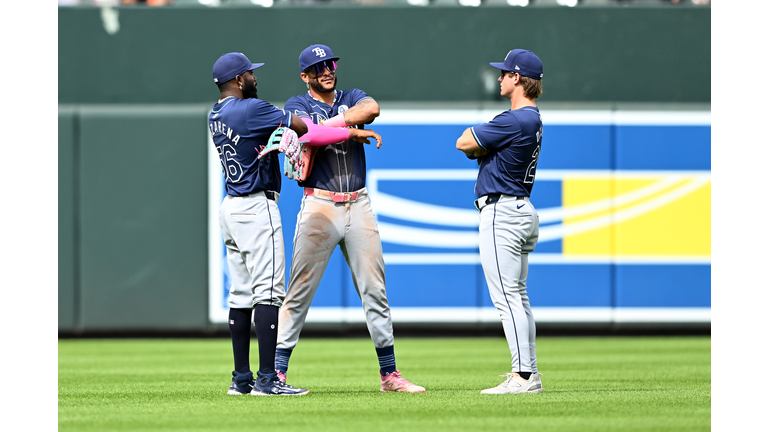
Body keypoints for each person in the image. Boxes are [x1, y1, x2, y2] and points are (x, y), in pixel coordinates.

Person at [209, 52, 379, 396]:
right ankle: (268, 380)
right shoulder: (254, 109)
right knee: (269, 293)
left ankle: (241, 379)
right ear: (240, 80)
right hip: (257, 205)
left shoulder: (214, 113)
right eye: (250, 75)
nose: (255, 79)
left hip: (230, 207)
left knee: (240, 295)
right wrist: (349, 134)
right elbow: (305, 129)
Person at [274, 44, 425, 393]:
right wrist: (352, 131)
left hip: (358, 203)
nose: (326, 70)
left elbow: (371, 108)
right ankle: (277, 373)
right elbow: (308, 133)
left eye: (329, 64)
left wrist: (337, 122)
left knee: (375, 288)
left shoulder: (349, 96)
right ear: (305, 75)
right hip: (320, 204)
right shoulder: (297, 105)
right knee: (299, 291)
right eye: (317, 67)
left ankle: (390, 375)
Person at [455, 49, 545, 394]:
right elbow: (474, 146)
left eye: (506, 73)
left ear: (518, 79)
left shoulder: (515, 119)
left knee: (508, 298)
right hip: (519, 208)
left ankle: (523, 377)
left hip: (502, 212)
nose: (500, 78)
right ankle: (528, 373)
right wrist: (482, 148)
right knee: (518, 297)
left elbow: (464, 141)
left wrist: (481, 148)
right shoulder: (530, 119)